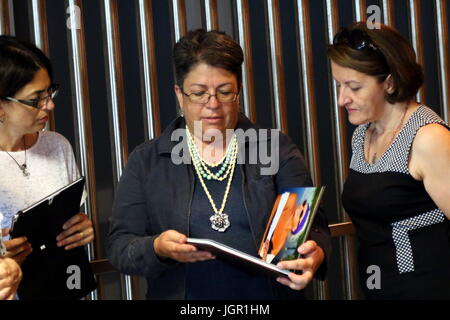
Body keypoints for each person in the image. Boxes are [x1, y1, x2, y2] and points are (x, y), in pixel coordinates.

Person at [108, 29, 331, 299]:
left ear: (238, 91)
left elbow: (311, 225)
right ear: (179, 94)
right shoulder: (148, 160)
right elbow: (120, 246)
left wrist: (314, 252)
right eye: (199, 93)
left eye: (225, 92)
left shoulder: (274, 148)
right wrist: (156, 247)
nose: (212, 104)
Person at [327, 22, 450, 299]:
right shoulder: (362, 134)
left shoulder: (427, 138)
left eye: (354, 87)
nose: (341, 99)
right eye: (339, 85)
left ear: (390, 82)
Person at [0, 36, 94, 296]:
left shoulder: (57, 145)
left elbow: (65, 218)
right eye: (36, 99)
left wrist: (81, 227)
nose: (49, 105)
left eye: (49, 93)